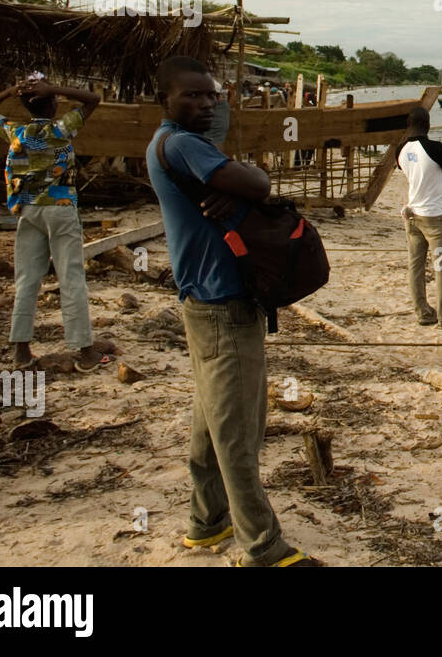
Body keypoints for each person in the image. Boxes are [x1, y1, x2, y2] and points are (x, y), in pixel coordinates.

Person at [147, 55, 320, 566]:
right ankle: (262, 546)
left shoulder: (169, 144)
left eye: (210, 95)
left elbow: (245, 181)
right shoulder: (181, 143)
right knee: (239, 433)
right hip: (224, 304)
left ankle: (206, 522)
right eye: (192, 95)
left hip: (202, 301)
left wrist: (241, 181)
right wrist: (247, 180)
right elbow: (259, 185)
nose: (204, 103)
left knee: (211, 421)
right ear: (166, 101)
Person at [0, 74, 106, 372]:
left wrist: (11, 89)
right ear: (53, 103)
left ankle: (21, 351)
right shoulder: (62, 129)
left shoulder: (17, 132)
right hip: (60, 208)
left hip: (28, 210)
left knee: (27, 279)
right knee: (71, 277)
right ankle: (85, 352)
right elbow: (93, 100)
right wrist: (55, 88)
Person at [397, 106, 442, 332]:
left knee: (415, 267)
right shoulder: (436, 148)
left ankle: (423, 312)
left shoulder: (400, 150)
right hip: (434, 218)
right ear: (427, 124)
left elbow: (411, 173)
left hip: (411, 215)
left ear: (409, 125)